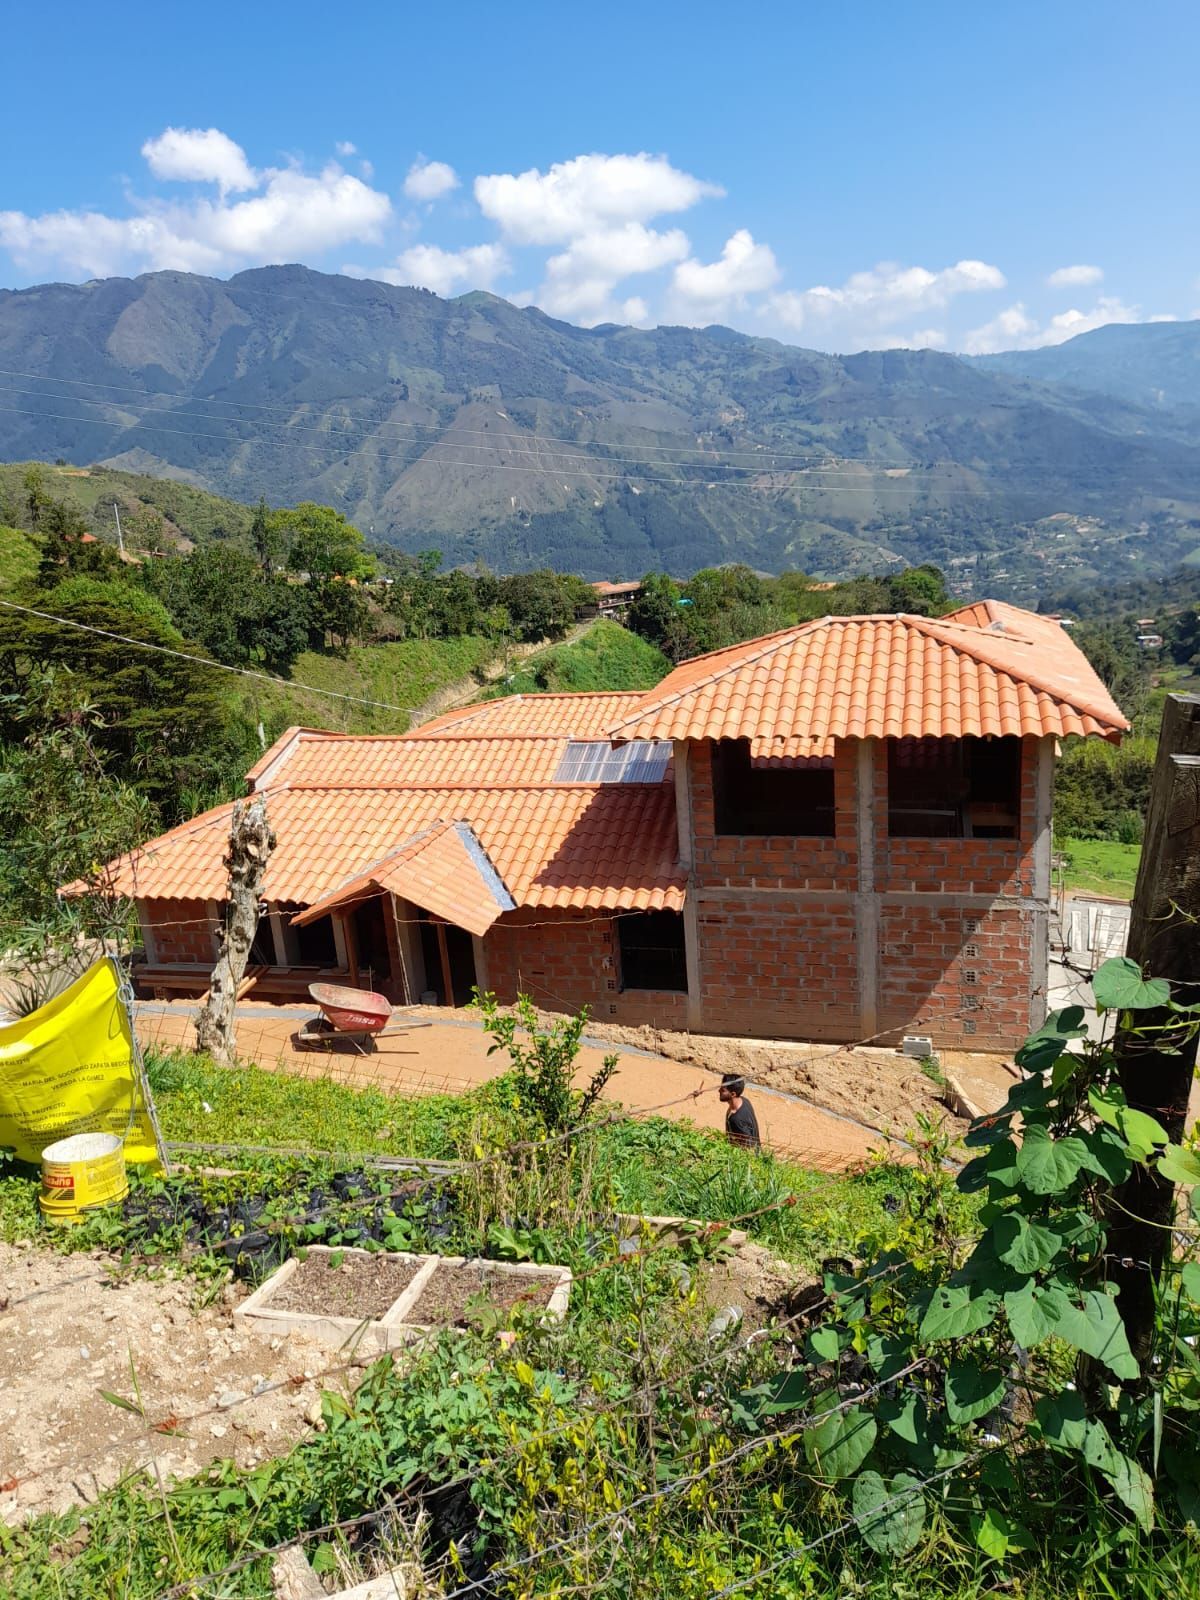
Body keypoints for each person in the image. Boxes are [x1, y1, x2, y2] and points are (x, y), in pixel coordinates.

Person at [718, 1074, 760, 1150]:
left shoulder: (737, 1119)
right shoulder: (744, 1101)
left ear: (733, 1094)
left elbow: (748, 1146)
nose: (719, 1091)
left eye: (723, 1090)